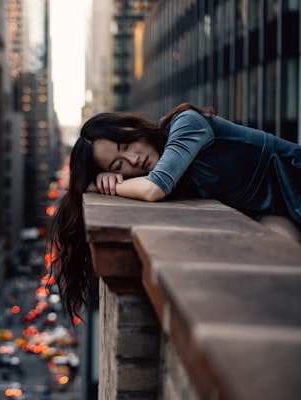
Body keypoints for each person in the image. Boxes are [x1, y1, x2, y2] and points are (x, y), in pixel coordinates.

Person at [48, 102, 301, 320]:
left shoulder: (186, 123)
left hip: (295, 182)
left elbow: (154, 188)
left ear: (131, 126)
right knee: (279, 262)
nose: (134, 160)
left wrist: (105, 186)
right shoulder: (174, 176)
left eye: (125, 145)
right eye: (119, 165)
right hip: (274, 211)